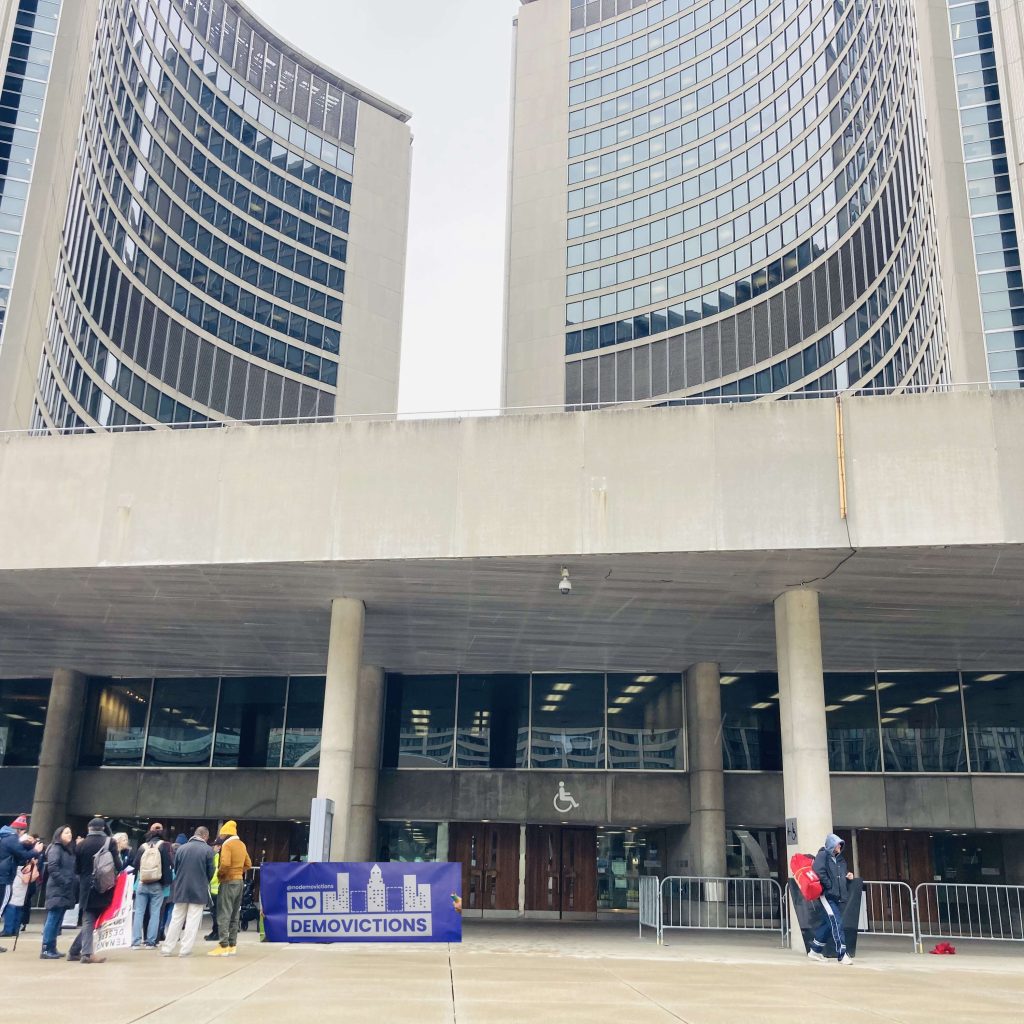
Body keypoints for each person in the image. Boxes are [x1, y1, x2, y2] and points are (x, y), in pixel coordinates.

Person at [67, 817, 121, 964]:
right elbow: (118, 865)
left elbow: (76, 869)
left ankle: (75, 951)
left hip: (86, 887)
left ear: (89, 829)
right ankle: (86, 954)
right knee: (91, 921)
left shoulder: (80, 845)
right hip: (104, 887)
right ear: (103, 828)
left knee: (88, 920)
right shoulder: (110, 842)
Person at [161, 827, 214, 957]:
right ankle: (185, 950)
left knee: (176, 919)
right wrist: (204, 881)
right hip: (199, 889)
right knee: (192, 920)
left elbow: (176, 868)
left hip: (181, 888)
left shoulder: (181, 849)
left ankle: (167, 948)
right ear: (205, 836)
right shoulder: (208, 850)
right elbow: (210, 872)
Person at [808, 832, 856, 966]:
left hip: (836, 895)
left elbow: (840, 873)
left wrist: (847, 875)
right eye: (837, 844)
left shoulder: (840, 859)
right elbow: (818, 871)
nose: (839, 847)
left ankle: (815, 950)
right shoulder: (823, 855)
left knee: (829, 924)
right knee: (836, 922)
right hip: (826, 895)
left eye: (840, 844)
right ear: (831, 845)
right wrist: (829, 886)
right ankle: (842, 954)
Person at [0, 815, 43, 953]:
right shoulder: (12, 839)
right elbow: (23, 855)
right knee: (2, 907)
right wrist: (36, 850)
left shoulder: (4, 837)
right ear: (21, 830)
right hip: (5, 877)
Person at [208, 820, 251, 958]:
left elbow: (225, 863)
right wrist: (239, 872)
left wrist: (221, 875)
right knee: (234, 915)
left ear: (225, 834)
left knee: (224, 914)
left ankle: (223, 945)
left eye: (221, 835)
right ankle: (233, 945)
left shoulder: (227, 845)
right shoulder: (242, 844)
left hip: (228, 882)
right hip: (239, 882)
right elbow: (248, 864)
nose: (220, 837)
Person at [131, 823, 172, 949]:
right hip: (157, 884)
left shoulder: (142, 847)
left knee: (139, 912)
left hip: (142, 883)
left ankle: (136, 942)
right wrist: (166, 883)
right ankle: (151, 942)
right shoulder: (163, 846)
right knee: (155, 913)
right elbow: (167, 866)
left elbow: (136, 865)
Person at [40, 826, 77, 960]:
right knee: (53, 917)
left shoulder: (68, 850)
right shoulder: (56, 848)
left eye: (70, 832)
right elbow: (53, 867)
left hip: (65, 888)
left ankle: (52, 946)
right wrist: (64, 881)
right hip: (57, 887)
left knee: (58, 919)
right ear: (59, 834)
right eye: (66, 832)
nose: (70, 835)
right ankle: (46, 947)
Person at [1, 841, 39, 938]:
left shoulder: (19, 855)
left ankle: (8, 929)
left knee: (11, 904)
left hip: (16, 878)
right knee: (19, 905)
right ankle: (15, 929)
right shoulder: (31, 857)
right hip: (24, 881)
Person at [204, 841, 221, 942]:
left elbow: (214, 872)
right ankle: (215, 931)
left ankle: (216, 932)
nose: (219, 847)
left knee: (215, 912)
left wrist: (209, 881)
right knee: (214, 912)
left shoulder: (216, 856)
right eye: (218, 846)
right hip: (215, 888)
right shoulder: (215, 855)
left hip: (214, 888)